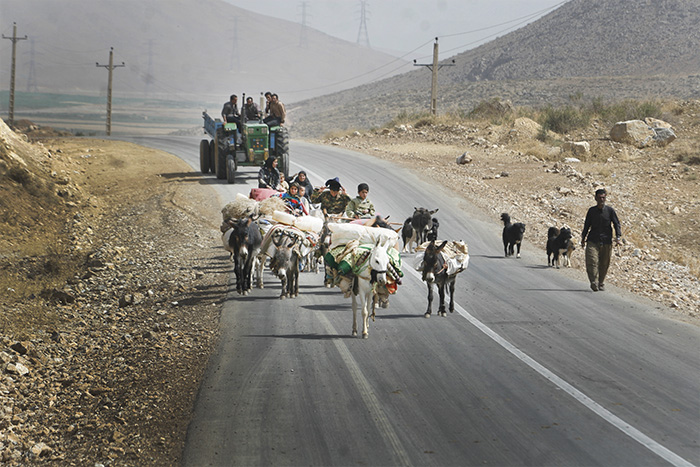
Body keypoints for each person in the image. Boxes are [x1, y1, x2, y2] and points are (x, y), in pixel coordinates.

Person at [581, 188, 622, 292]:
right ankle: (593, 282)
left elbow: (616, 224)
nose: (601, 200)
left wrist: (618, 237)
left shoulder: (610, 211)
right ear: (595, 198)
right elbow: (586, 225)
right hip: (592, 240)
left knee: (604, 263)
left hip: (606, 241)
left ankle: (601, 282)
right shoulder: (591, 211)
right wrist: (583, 238)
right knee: (592, 261)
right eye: (599, 198)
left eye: (603, 198)